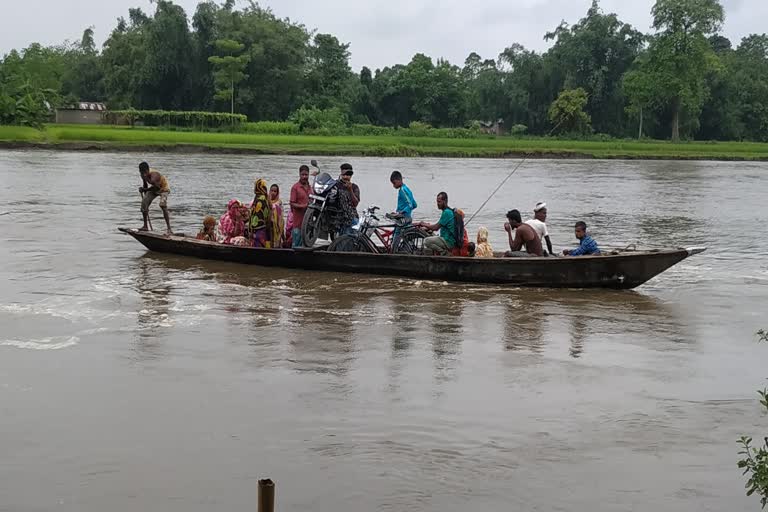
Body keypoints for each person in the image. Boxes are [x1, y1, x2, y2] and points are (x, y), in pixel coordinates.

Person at [417, 192, 456, 256]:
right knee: (430, 234)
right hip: (445, 238)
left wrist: (423, 224)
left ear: (445, 201)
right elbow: (439, 226)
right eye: (437, 202)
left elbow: (435, 227)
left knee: (426, 241)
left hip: (448, 241)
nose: (438, 204)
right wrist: (427, 228)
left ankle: (444, 252)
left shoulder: (447, 212)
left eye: (439, 202)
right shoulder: (447, 211)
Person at [138, 161, 172, 234]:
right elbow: (145, 185)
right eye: (141, 172)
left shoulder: (154, 175)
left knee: (162, 205)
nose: (143, 174)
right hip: (153, 189)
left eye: (144, 172)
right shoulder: (143, 175)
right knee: (144, 204)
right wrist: (145, 195)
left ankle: (169, 229)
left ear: (147, 170)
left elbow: (156, 187)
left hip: (163, 189)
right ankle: (145, 226)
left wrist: (145, 190)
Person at [289, 165, 311, 248]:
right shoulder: (295, 187)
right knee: (296, 246)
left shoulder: (310, 188)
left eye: (306, 175)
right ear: (299, 174)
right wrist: (303, 206)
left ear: (308, 175)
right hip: (298, 222)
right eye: (303, 175)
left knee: (306, 245)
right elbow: (292, 203)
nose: (304, 177)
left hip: (308, 223)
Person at [337, 163, 360, 235]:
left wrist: (350, 190)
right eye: (343, 175)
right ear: (341, 174)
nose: (345, 177)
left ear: (351, 175)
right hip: (339, 220)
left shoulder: (354, 187)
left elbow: (355, 204)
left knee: (351, 242)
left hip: (351, 219)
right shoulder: (336, 185)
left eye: (348, 175)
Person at [249, 179, 273, 248]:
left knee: (258, 246)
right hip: (263, 227)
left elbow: (257, 215)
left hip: (258, 227)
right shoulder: (263, 197)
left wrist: (252, 229)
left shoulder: (260, 199)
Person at [269, 184, 285, 248]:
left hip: (277, 223)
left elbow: (281, 214)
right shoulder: (267, 200)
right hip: (269, 223)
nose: (273, 193)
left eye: (275, 191)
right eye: (271, 191)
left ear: (277, 193)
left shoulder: (279, 202)